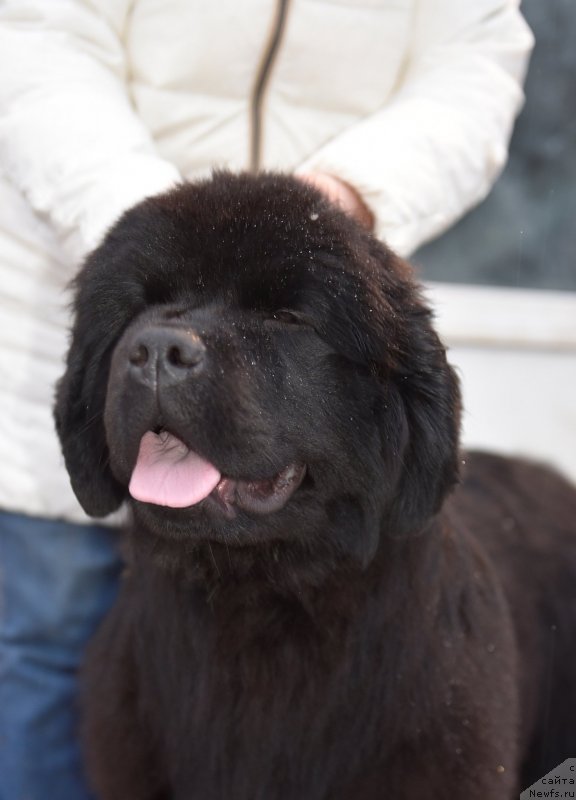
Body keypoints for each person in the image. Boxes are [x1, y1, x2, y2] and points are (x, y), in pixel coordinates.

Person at [0, 2, 533, 798]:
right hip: (88, 217)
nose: (168, 348)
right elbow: (38, 35)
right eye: (155, 331)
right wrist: (151, 218)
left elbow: (475, 61)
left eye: (277, 315)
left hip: (342, 236)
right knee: (47, 634)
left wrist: (349, 192)